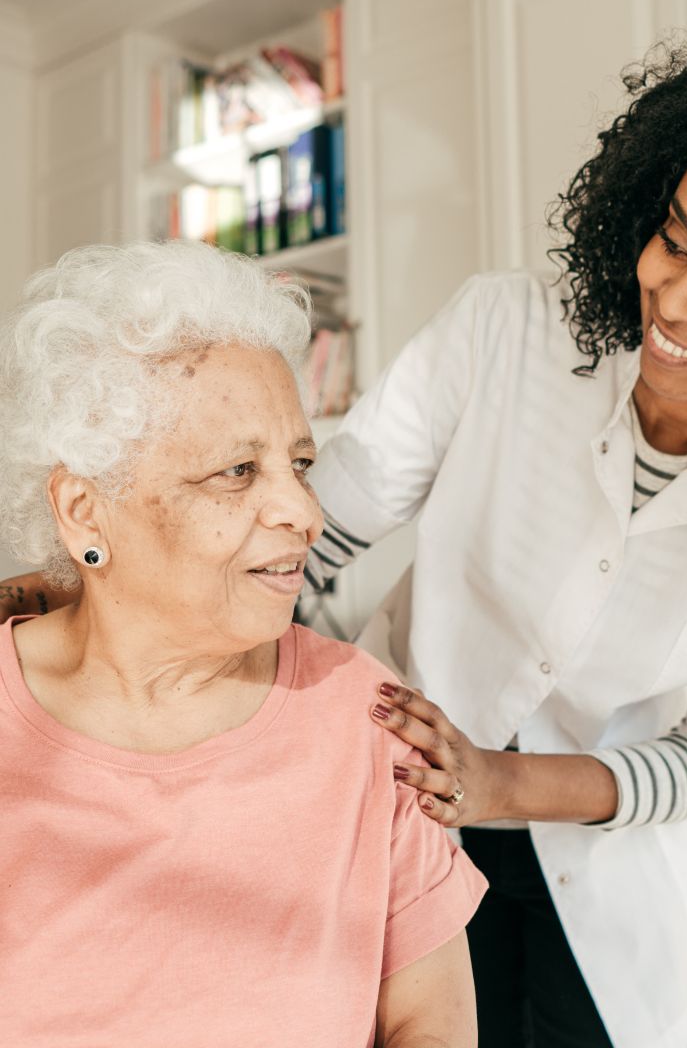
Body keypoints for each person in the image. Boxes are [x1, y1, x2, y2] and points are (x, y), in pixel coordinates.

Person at [5, 39, 687, 1048]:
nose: (675, 301)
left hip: (600, 886)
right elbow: (310, 525)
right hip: (398, 793)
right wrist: (102, 589)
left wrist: (500, 784)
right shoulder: (504, 334)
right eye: (672, 241)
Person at [0, 241, 486, 1048]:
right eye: (237, 471)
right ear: (86, 513)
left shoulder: (365, 716)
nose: (304, 512)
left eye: (300, 464)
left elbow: (431, 1026)